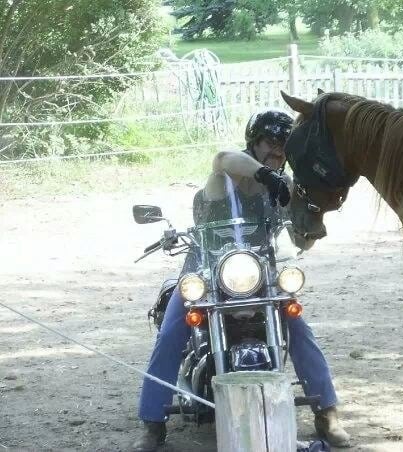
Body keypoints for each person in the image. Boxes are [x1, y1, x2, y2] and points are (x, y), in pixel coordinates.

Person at [131, 109, 351, 451]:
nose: (277, 153)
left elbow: (299, 238)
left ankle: (327, 411)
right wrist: (267, 176)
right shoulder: (225, 179)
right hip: (204, 270)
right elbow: (222, 159)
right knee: (173, 331)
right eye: (270, 144)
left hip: (257, 273)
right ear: (254, 142)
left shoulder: (284, 186)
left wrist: (311, 225)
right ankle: (151, 422)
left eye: (283, 147)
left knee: (299, 327)